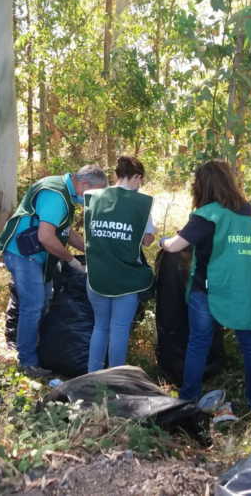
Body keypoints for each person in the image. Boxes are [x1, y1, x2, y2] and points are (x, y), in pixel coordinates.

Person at [159, 160, 251, 414]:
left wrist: (164, 241)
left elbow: (175, 246)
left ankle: (188, 398)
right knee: (250, 343)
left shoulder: (207, 214)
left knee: (199, 342)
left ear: (202, 186)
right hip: (244, 288)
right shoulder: (245, 212)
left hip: (208, 290)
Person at [0, 165, 108, 377]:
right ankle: (27, 362)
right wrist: (72, 260)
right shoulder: (55, 195)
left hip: (38, 256)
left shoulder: (66, 193)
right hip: (22, 254)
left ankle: (36, 348)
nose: (93, 200)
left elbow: (64, 231)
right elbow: (46, 237)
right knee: (33, 305)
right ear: (84, 185)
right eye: (94, 194)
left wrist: (90, 250)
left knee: (44, 300)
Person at [84, 156, 156, 372]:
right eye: (139, 181)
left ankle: (93, 377)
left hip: (96, 274)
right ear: (136, 177)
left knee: (100, 328)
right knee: (120, 329)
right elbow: (147, 239)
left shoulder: (91, 197)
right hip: (126, 278)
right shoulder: (141, 203)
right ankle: (116, 380)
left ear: (116, 175)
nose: (139, 186)